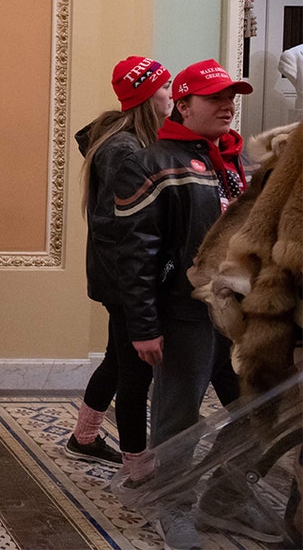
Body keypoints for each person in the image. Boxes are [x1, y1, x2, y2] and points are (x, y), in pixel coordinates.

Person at [112, 59, 277, 549]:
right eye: (215, 98)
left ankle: (225, 498)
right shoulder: (151, 163)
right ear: (182, 104)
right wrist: (143, 325)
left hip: (242, 316)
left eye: (232, 97)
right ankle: (173, 506)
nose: (228, 106)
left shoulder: (237, 163)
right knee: (177, 419)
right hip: (184, 314)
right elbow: (134, 256)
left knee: (257, 408)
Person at [64, 57, 172, 471]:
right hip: (126, 278)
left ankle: (84, 437)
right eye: (165, 86)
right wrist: (139, 285)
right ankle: (137, 465)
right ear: (146, 95)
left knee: (117, 357)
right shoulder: (125, 149)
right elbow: (117, 228)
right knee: (135, 374)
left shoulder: (125, 140)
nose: (171, 93)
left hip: (122, 275)